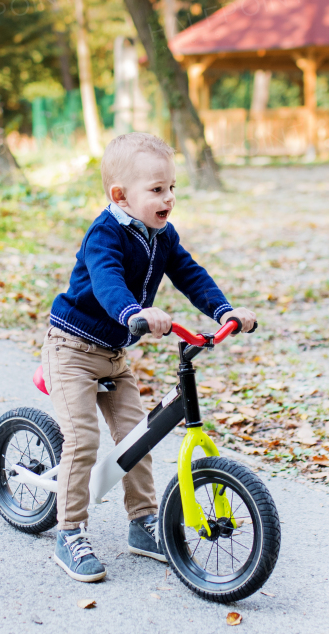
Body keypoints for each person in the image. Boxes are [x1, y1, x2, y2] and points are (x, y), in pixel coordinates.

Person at [42, 132, 257, 583]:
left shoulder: (163, 235)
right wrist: (134, 313)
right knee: (82, 440)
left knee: (138, 439)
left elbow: (189, 273)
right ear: (120, 195)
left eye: (172, 187)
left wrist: (224, 310)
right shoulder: (104, 234)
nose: (169, 198)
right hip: (72, 350)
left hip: (114, 354)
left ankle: (142, 523)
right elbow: (106, 280)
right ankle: (69, 531)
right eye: (157, 190)